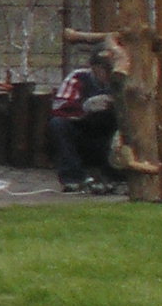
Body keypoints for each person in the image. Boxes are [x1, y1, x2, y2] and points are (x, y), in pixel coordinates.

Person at [49, 43, 124, 194]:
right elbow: (59, 108)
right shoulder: (78, 77)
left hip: (113, 136)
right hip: (85, 135)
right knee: (58, 124)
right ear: (94, 67)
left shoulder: (125, 79)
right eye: (103, 68)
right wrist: (85, 107)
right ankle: (74, 179)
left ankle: (117, 177)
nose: (107, 73)